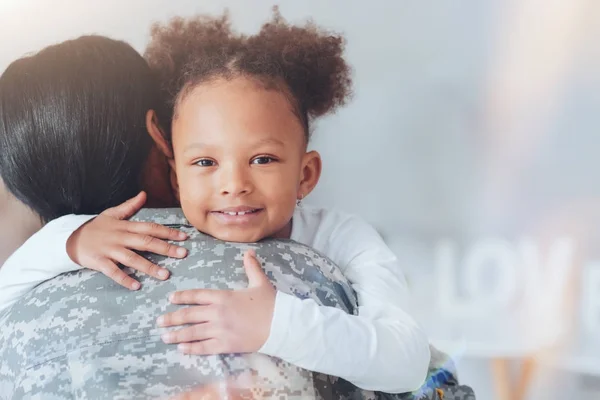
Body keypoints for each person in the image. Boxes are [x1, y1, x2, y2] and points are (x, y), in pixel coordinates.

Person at [1, 9, 430, 393]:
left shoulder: (344, 238)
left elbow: (406, 360)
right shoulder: (93, 244)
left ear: (306, 173)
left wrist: (278, 325)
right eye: (205, 161)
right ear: (170, 159)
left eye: (262, 158)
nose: (234, 184)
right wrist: (72, 239)